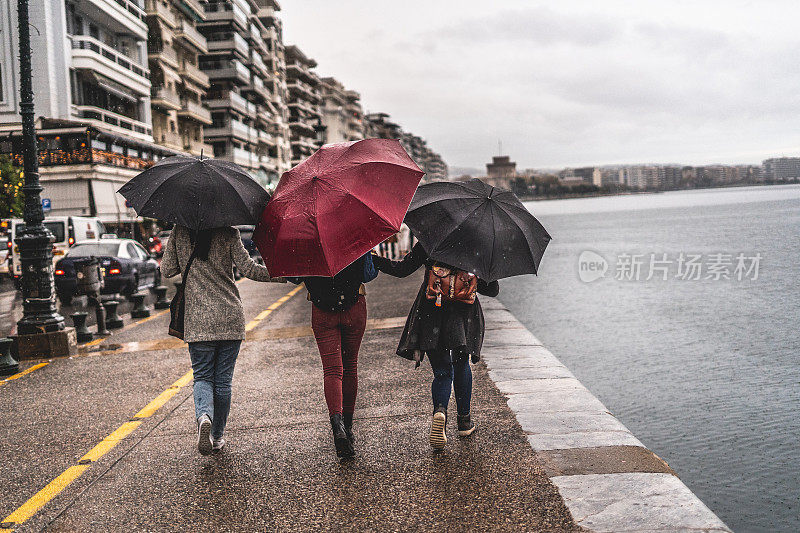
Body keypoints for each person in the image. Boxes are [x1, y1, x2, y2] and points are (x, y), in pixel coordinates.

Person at [162, 225, 280, 455]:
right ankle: (217, 436)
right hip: (229, 317)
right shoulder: (229, 232)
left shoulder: (180, 232)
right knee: (223, 381)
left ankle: (204, 415)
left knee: (203, 376)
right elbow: (249, 269)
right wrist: (283, 275)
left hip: (198, 320)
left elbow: (167, 270)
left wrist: (184, 257)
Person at [373, 243, 499, 450]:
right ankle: (464, 421)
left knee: (442, 372)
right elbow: (491, 290)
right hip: (463, 316)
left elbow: (402, 270)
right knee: (461, 365)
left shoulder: (430, 239)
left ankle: (440, 410)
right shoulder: (475, 244)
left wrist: (374, 259)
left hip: (432, 313)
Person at [288, 253, 378, 459]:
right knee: (350, 366)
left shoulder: (306, 240)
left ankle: (337, 428)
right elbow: (368, 274)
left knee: (332, 370)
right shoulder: (355, 235)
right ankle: (348, 426)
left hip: (322, 308)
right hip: (354, 306)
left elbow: (294, 278)